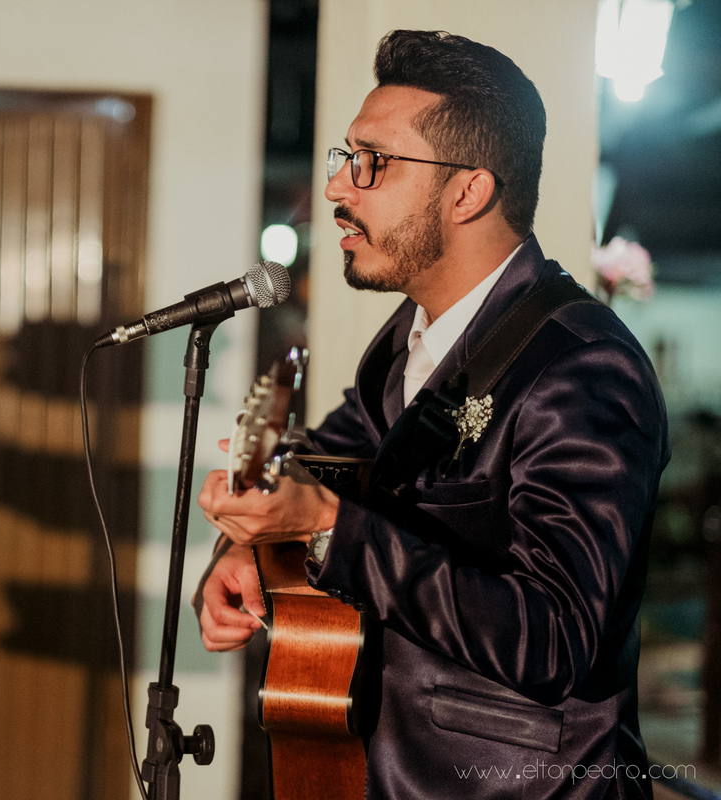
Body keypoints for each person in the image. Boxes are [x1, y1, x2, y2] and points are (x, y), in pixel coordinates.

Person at [195, 30, 669, 799]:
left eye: (372, 162)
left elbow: (555, 638)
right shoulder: (407, 343)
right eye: (345, 158)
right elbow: (322, 464)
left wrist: (324, 526)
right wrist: (245, 549)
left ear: (468, 192)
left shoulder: (583, 367)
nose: (337, 187)